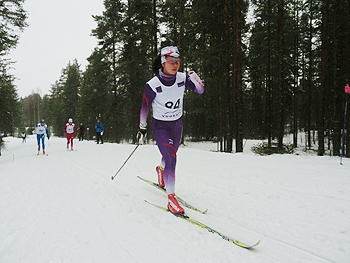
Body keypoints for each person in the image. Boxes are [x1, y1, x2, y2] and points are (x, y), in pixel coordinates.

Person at [137, 46, 204, 214]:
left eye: (178, 62)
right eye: (171, 62)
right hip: (160, 126)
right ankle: (171, 198)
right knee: (171, 157)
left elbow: (200, 90)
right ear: (163, 62)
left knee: (171, 154)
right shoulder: (152, 84)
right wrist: (142, 128)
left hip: (177, 125)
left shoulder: (181, 78)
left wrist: (195, 78)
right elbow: (145, 107)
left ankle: (161, 171)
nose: (175, 65)